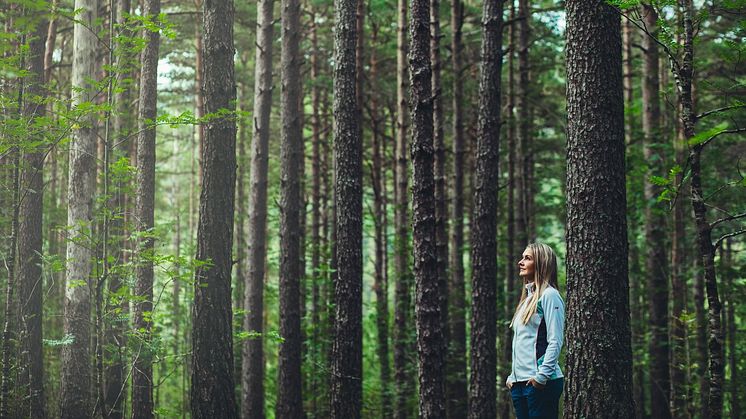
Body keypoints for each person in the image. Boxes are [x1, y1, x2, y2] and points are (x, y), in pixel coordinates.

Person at [506, 242, 565, 419]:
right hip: (519, 384)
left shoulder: (550, 295)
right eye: (522, 257)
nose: (520, 262)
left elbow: (555, 340)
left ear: (541, 263)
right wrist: (512, 377)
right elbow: (523, 342)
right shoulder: (527, 300)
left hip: (541, 382)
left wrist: (542, 376)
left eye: (527, 258)